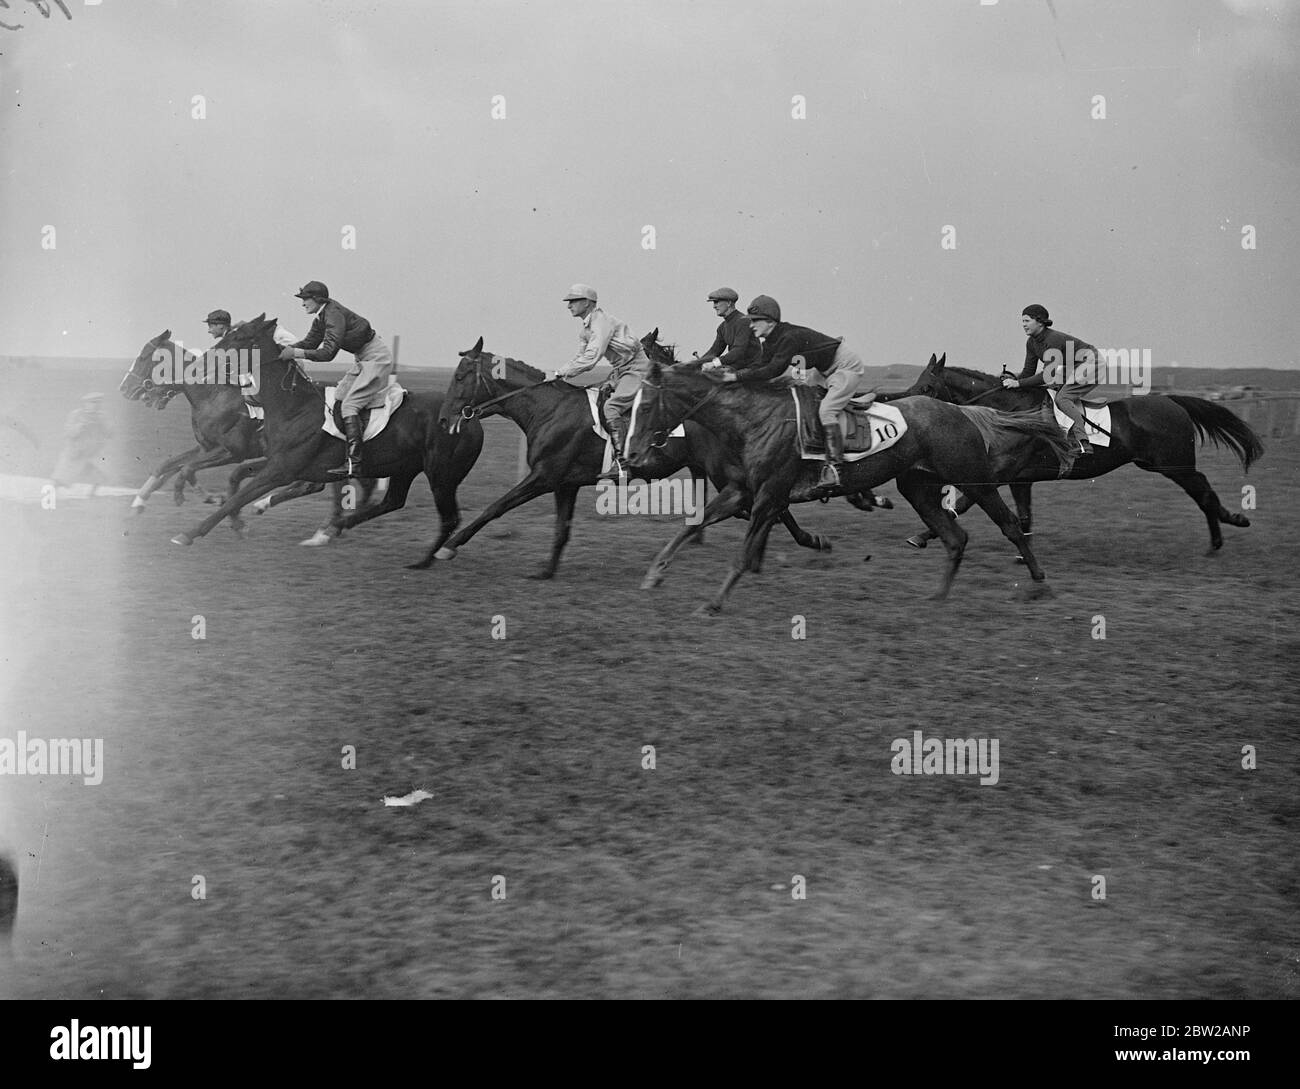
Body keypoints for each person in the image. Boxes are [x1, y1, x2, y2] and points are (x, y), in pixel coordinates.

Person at [738, 296, 877, 491]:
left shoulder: (788, 337)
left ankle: (834, 468)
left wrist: (736, 377)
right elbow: (760, 365)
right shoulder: (770, 341)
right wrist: (733, 373)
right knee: (802, 401)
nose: (751, 325)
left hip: (845, 366)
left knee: (826, 411)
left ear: (770, 321)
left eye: (755, 320)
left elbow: (773, 370)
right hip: (822, 370)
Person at [279, 281, 394, 476]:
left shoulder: (333, 315)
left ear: (317, 299)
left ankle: (355, 463)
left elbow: (328, 353)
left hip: (376, 359)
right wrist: (283, 350)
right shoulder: (322, 315)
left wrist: (296, 353)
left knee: (349, 406)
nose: (303, 303)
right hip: (363, 359)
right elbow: (310, 343)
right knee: (339, 396)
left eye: (305, 299)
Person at [552, 284, 651, 480]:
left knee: (611, 408)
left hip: (637, 370)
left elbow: (591, 358)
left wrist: (559, 373)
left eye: (573, 301)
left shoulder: (600, 324)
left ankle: (622, 465)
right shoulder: (586, 330)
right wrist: (560, 374)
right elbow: (580, 357)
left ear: (587, 303)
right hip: (620, 371)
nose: (569, 306)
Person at [1003, 304, 1098, 455]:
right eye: (1022, 321)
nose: (1023, 325)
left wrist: (1018, 383)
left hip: (1092, 363)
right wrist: (1011, 381)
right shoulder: (1031, 342)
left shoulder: (1053, 340)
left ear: (1040, 322)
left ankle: (1083, 442)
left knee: (1062, 398)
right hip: (1072, 366)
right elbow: (1028, 372)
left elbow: (1047, 375)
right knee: (1049, 392)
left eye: (1027, 321)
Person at [50, 393, 111, 495]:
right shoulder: (76, 415)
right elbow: (68, 433)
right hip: (76, 451)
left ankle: (92, 494)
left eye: (97, 403)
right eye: (92, 403)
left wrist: (104, 425)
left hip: (93, 452)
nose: (95, 406)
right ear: (85, 404)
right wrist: (81, 426)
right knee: (63, 476)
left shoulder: (102, 417)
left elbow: (110, 433)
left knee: (100, 473)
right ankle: (51, 492)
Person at [696, 288, 760, 375]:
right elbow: (714, 351)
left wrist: (714, 363)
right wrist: (695, 364)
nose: (714, 306)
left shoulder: (743, 321)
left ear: (729, 303)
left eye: (716, 302)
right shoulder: (722, 328)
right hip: (736, 368)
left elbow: (738, 351)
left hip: (752, 369)